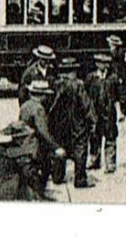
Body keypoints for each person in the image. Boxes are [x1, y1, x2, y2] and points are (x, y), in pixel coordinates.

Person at [48, 57, 96, 189]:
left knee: (61, 147)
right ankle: (80, 180)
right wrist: (93, 122)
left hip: (60, 125)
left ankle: (57, 176)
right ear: (73, 71)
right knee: (80, 149)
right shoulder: (78, 85)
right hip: (77, 124)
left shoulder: (57, 84)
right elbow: (87, 105)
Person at [85, 51, 126, 174]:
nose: (104, 65)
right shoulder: (91, 78)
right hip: (95, 112)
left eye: (106, 63)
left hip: (109, 112)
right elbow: (85, 96)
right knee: (94, 136)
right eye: (101, 63)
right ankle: (94, 160)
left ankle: (110, 163)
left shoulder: (113, 78)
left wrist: (123, 111)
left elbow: (122, 95)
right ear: (97, 64)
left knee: (110, 136)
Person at [19, 79, 60, 200]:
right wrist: (56, 147)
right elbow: (43, 132)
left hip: (24, 143)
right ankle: (39, 194)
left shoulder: (25, 105)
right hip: (36, 146)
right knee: (45, 167)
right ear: (42, 95)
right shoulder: (39, 109)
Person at [0, 122, 41, 201]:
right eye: (25, 137)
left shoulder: (0, 149)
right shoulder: (23, 154)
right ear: (20, 138)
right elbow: (28, 173)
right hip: (14, 192)